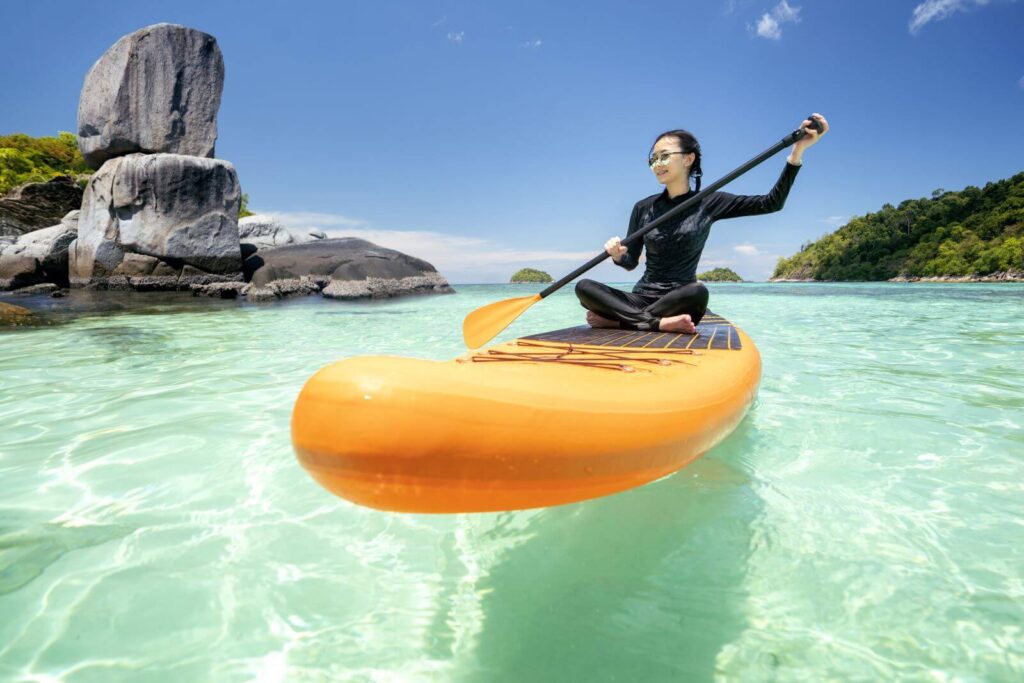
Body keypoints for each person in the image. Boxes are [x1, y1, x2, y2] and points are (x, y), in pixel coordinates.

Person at [576, 114, 829, 333]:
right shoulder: (643, 207)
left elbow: (771, 203)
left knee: (698, 292)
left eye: (664, 156)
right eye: (652, 159)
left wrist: (797, 153)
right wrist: (618, 255)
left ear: (688, 159)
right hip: (641, 299)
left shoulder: (709, 202)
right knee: (584, 286)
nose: (657, 164)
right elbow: (630, 263)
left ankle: (622, 322)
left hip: (681, 300)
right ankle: (653, 323)